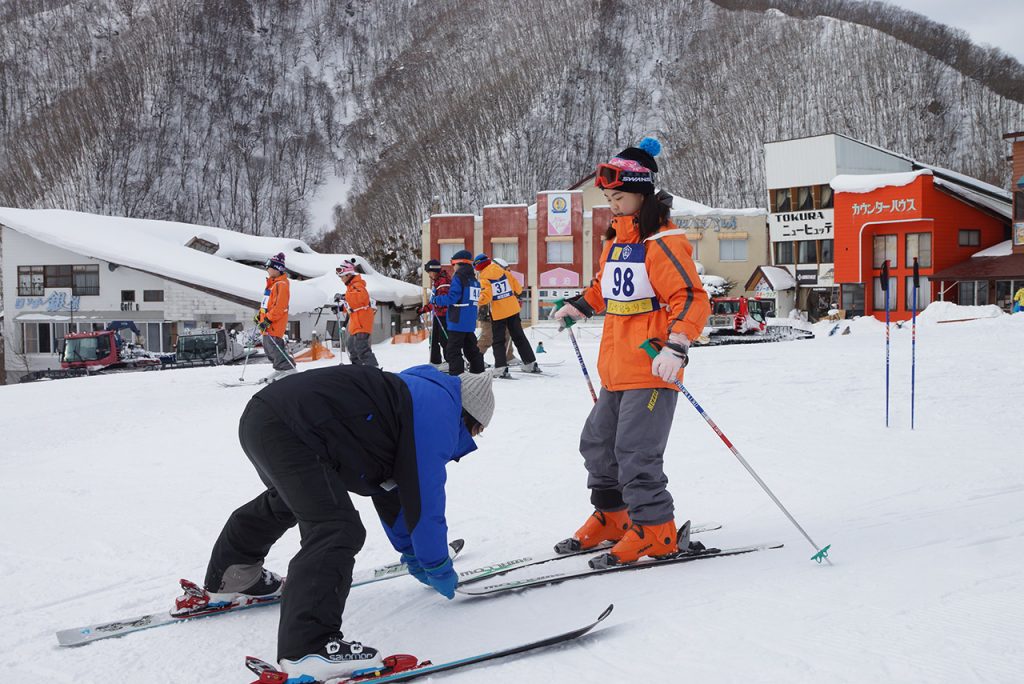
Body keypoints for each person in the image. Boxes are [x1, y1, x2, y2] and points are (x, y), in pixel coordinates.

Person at [176, 365, 495, 682]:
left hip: (264, 418)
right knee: (337, 527)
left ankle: (234, 574)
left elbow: (393, 490)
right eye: (476, 431)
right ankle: (309, 650)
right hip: (290, 427)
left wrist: (413, 552)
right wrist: (436, 563)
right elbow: (425, 495)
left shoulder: (417, 394)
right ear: (472, 419)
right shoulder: (439, 411)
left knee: (293, 502)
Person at [552, 137, 711, 566]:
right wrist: (580, 306)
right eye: (608, 199)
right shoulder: (617, 241)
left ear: (642, 194)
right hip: (616, 366)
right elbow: (604, 288)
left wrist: (677, 346)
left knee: (636, 453)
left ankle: (656, 531)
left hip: (652, 366)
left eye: (618, 198)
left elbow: (691, 298)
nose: (613, 206)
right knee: (597, 446)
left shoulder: (664, 242)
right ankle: (613, 517)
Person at [475, 253, 538, 377]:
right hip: (513, 310)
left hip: (498, 313)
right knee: (519, 337)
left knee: (498, 340)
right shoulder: (505, 273)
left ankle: (501, 368)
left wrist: (476, 299)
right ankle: (530, 363)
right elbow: (518, 289)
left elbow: (486, 298)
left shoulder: (484, 279)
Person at [430, 250, 485, 375]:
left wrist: (437, 300)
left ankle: (457, 376)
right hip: (469, 320)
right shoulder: (474, 279)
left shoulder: (458, 277)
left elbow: (452, 298)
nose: (453, 267)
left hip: (457, 320)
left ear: (459, 263)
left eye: (453, 264)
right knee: (471, 349)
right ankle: (478, 373)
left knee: (453, 350)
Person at [256, 252, 297, 383]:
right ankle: (280, 369)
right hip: (267, 323)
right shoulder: (272, 284)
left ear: (277, 268)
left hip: (274, 324)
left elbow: (280, 307)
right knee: (269, 350)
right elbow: (267, 304)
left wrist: (268, 319)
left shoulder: (281, 285)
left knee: (275, 349)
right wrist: (259, 316)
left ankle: (289, 369)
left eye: (269, 267)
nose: (267, 269)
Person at [337, 260, 379, 368]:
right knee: (352, 347)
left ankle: (373, 368)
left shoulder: (358, 285)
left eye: (342, 276)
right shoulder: (351, 287)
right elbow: (352, 305)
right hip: (355, 323)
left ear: (348, 275)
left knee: (361, 347)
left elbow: (361, 298)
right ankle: (358, 369)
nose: (341, 279)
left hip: (362, 321)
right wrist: (341, 307)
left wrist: (344, 297)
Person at [418, 259, 451, 369]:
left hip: (445, 315)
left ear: (435, 271)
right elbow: (434, 301)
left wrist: (435, 305)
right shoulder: (437, 282)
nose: (429, 275)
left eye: (430, 273)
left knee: (444, 339)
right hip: (437, 315)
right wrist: (423, 309)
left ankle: (449, 361)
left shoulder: (444, 282)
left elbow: (443, 300)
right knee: (433, 339)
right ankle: (435, 361)